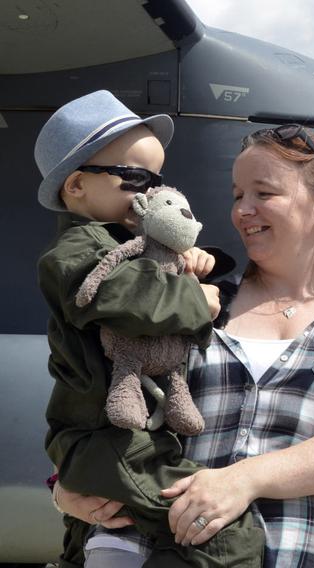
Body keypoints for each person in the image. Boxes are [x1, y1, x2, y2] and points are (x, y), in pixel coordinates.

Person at [55, 122, 314, 567]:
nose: (243, 209)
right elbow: (96, 389)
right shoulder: (194, 300)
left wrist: (243, 480)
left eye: (263, 193)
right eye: (237, 195)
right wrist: (65, 485)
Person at [34, 90, 265, 567]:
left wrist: (193, 266)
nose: (146, 194)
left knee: (161, 532)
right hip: (105, 441)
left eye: (156, 180)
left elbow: (149, 283)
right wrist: (193, 298)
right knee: (227, 536)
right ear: (76, 185)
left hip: (128, 441)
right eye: (134, 177)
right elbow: (127, 297)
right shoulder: (75, 252)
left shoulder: (134, 247)